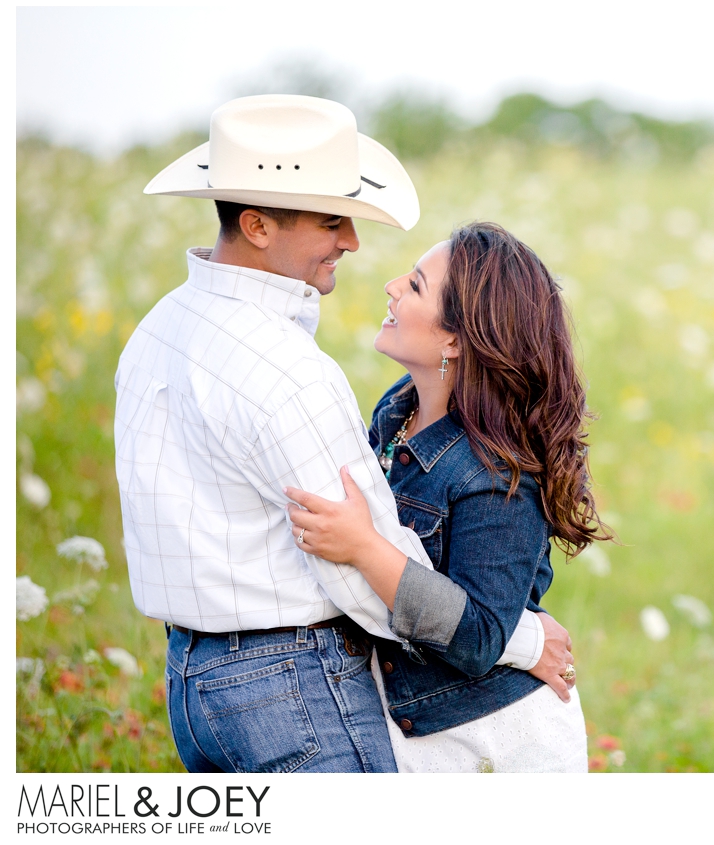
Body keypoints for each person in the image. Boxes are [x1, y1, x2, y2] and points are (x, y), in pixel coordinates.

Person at [114, 95, 573, 773]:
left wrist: (483, 623)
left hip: (190, 680)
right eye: (334, 221)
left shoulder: (157, 329)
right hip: (289, 686)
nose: (355, 244)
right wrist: (521, 638)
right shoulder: (294, 372)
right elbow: (356, 577)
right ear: (258, 225)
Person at [284, 222, 612, 771]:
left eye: (414, 286)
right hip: (421, 733)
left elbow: (479, 635)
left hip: (497, 742)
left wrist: (364, 548)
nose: (390, 286)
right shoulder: (396, 413)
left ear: (456, 339)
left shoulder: (497, 472)